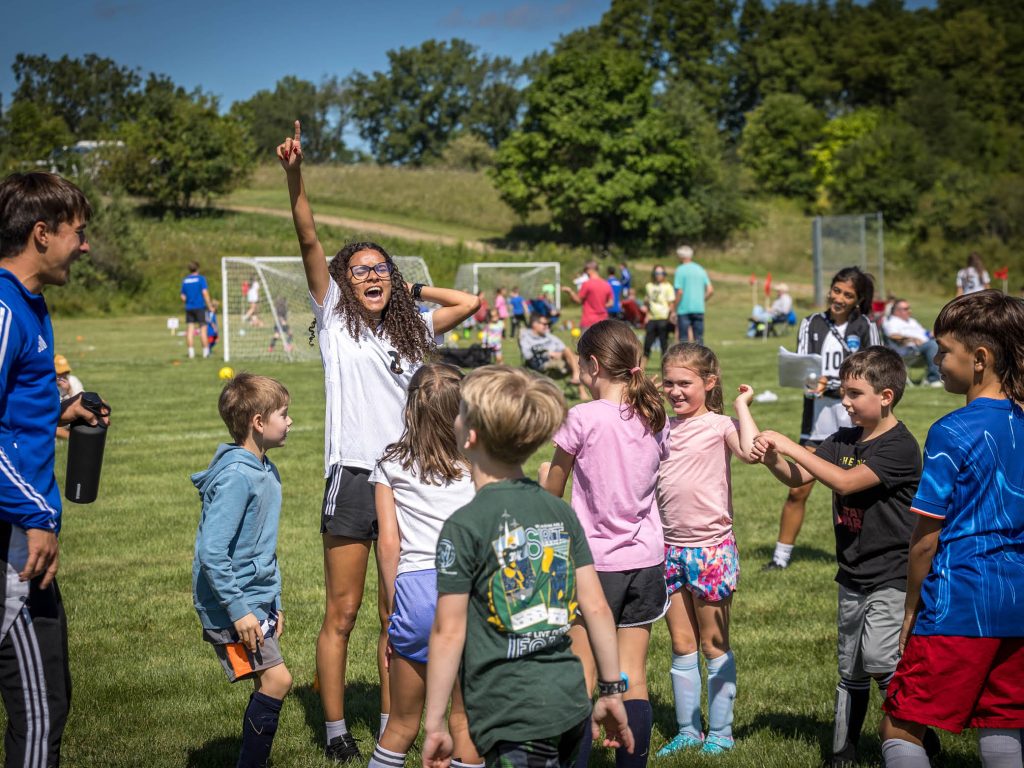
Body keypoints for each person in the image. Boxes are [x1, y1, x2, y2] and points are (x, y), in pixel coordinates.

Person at [277, 121, 479, 762]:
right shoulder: (335, 320)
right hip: (355, 477)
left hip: (410, 481)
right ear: (341, 280)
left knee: (399, 611)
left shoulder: (413, 326)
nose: (371, 276)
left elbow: (470, 302)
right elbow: (308, 236)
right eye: (359, 270)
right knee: (343, 611)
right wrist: (294, 176)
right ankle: (336, 729)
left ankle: (396, 721)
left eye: (380, 269)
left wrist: (411, 287)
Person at [422, 366, 634, 768]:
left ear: (471, 435)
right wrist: (610, 690)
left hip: (513, 714)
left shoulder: (464, 526)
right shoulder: (559, 510)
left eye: (460, 411)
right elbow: (596, 607)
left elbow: (448, 631)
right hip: (570, 702)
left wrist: (434, 724)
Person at [752, 346, 929, 768]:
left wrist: (790, 444)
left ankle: (914, 731)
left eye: (854, 393)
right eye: (843, 392)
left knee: (881, 657)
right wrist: (773, 458)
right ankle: (842, 753)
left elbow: (846, 483)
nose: (844, 401)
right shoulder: (844, 439)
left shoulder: (899, 446)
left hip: (892, 571)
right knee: (850, 667)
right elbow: (799, 476)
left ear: (885, 396)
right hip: (852, 570)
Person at [879, 291, 1024, 768]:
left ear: (979, 359)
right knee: (1003, 720)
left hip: (960, 600)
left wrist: (911, 609)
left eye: (944, 351)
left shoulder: (951, 430)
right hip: (1017, 603)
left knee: (901, 724)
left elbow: (925, 538)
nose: (937, 360)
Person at [0, 171, 110, 767]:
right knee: (40, 710)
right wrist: (36, 513)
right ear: (41, 234)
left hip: (21, 533)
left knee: (47, 699)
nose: (85, 246)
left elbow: (11, 411)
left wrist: (61, 410)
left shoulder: (29, 304)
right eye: (78, 233)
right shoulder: (3, 307)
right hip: (13, 540)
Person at [541, 320, 669, 768]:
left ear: (593, 365)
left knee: (583, 674)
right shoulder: (655, 416)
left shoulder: (581, 417)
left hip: (593, 566)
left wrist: (543, 476)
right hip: (647, 562)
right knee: (633, 676)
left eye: (580, 365)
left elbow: (553, 488)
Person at [368, 364, 483, 768]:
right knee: (465, 722)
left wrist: (392, 614)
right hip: (471, 592)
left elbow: (388, 544)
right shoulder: (480, 462)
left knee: (401, 724)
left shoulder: (390, 463)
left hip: (415, 594)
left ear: (410, 409)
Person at [653, 344, 759, 757]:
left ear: (709, 382)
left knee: (713, 644)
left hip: (711, 551)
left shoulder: (720, 425)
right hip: (668, 550)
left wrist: (741, 407)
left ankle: (720, 732)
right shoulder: (660, 426)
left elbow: (751, 453)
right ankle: (687, 730)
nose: (675, 391)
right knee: (682, 644)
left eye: (685, 383)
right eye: (669, 383)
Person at [191, 373, 294, 768]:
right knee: (278, 680)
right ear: (258, 422)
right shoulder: (237, 478)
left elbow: (264, 546)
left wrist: (274, 600)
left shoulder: (266, 470)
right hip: (234, 605)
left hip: (256, 599)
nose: (289, 421)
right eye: (283, 414)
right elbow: (212, 552)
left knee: (270, 680)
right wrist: (239, 611)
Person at [764, 267, 880, 571]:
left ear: (858, 300)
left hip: (858, 426)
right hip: (818, 424)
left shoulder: (866, 326)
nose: (838, 298)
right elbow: (805, 370)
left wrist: (832, 384)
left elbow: (876, 372)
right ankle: (780, 559)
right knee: (797, 490)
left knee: (859, 497)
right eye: (836, 290)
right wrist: (814, 383)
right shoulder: (811, 323)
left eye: (848, 295)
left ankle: (865, 557)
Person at [519, 315, 586, 400]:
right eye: (544, 324)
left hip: (559, 357)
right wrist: (547, 353)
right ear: (534, 324)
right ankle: (581, 390)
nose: (547, 326)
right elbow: (527, 355)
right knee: (576, 359)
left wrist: (558, 354)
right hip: (544, 362)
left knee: (571, 354)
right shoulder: (526, 337)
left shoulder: (548, 335)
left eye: (548, 324)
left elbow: (562, 346)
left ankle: (577, 379)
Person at [882, 299, 942, 387]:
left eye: (909, 308)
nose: (909, 311)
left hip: (924, 345)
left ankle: (949, 376)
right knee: (932, 345)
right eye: (906, 309)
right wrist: (912, 339)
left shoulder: (912, 321)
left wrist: (933, 333)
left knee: (944, 341)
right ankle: (933, 379)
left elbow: (924, 334)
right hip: (909, 350)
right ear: (897, 311)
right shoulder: (891, 322)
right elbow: (893, 336)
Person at [672, 246, 713, 344]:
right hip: (699, 308)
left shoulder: (680, 270)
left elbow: (679, 292)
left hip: (683, 309)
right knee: (699, 341)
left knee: (684, 341)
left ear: (681, 257)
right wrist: (701, 300)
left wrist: (674, 308)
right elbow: (710, 290)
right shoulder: (700, 269)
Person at [562, 261, 613, 331]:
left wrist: (569, 291)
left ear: (589, 270)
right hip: (603, 322)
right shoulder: (606, 284)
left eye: (585, 270)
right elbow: (610, 303)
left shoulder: (587, 284)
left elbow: (578, 300)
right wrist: (600, 306)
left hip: (589, 322)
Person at [181, 260, 215, 359]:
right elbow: (205, 293)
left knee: (190, 330)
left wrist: (189, 301)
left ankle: (191, 353)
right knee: (203, 329)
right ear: (198, 268)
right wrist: (210, 306)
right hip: (200, 307)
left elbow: (183, 296)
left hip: (189, 308)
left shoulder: (185, 280)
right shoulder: (201, 279)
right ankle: (206, 353)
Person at [643, 265, 675, 365]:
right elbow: (647, 302)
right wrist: (647, 315)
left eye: (661, 273)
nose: (658, 275)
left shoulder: (668, 286)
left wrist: (670, 316)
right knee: (647, 345)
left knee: (664, 346)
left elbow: (671, 304)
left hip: (663, 319)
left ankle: (665, 368)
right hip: (652, 319)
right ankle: (641, 369)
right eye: (656, 273)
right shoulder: (649, 286)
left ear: (664, 274)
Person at [54, 354, 85, 440]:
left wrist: (69, 390)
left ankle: (77, 436)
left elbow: (82, 403)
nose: (63, 376)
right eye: (60, 373)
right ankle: (74, 437)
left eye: (66, 372)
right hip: (58, 420)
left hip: (73, 419)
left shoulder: (73, 380)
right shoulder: (49, 386)